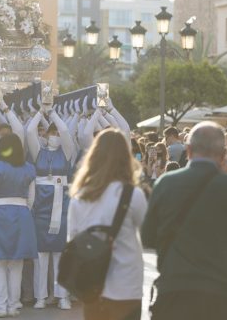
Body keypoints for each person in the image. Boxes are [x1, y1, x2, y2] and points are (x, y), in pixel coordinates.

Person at [141, 121, 227, 320]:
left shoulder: (166, 183)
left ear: (188, 150)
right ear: (223, 153)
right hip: (217, 290)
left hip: (174, 287)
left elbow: (147, 236)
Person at [67, 129, 148, 320]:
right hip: (126, 283)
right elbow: (146, 232)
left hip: (92, 284)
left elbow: (72, 240)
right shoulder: (133, 195)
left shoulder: (80, 196)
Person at [25, 108, 75, 310]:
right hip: (41, 208)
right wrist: (41, 111)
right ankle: (40, 296)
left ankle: (62, 296)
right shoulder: (39, 152)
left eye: (57, 134)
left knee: (60, 254)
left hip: (61, 207)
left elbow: (65, 131)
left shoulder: (67, 152)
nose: (55, 136)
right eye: (51, 133)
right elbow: (30, 131)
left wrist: (52, 113)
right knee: (40, 256)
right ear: (45, 136)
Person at [0, 133, 37, 318]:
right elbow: (31, 199)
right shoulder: (29, 168)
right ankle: (13, 305)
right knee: (16, 263)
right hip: (22, 214)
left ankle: (0, 306)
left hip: (0, 213)